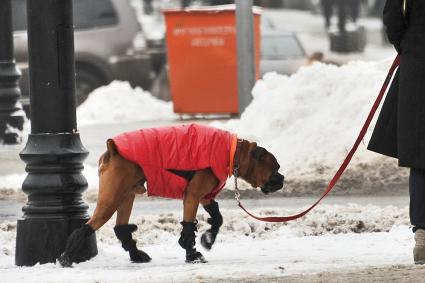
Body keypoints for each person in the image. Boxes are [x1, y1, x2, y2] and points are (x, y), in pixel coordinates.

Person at [368, 0, 425, 264]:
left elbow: (392, 17)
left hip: (417, 65)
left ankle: (423, 234)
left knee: (421, 159)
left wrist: (409, 46)